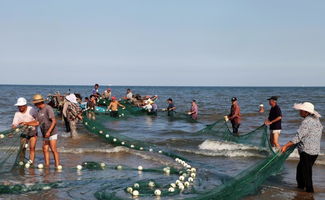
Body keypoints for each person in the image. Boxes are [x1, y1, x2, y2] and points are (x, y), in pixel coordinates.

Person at [281, 102, 323, 193]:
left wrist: (285, 146)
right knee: (300, 172)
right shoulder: (316, 119)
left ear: (306, 112)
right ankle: (301, 192)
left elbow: (298, 137)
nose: (299, 112)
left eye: (301, 110)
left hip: (307, 152)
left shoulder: (307, 121)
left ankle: (309, 193)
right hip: (315, 152)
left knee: (306, 175)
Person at [25, 94, 60, 168]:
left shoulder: (48, 108)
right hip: (45, 133)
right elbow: (37, 122)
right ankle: (47, 165)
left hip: (52, 132)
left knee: (53, 149)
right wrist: (26, 123)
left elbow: (54, 121)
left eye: (35, 103)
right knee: (44, 149)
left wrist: (49, 132)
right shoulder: (39, 111)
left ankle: (57, 165)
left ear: (38, 103)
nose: (34, 105)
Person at [12, 97, 38, 165]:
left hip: (33, 133)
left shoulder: (31, 110)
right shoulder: (17, 113)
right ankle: (21, 161)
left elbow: (38, 120)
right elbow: (14, 124)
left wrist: (27, 123)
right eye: (18, 106)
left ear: (25, 105)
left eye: (21, 106)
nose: (19, 108)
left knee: (32, 148)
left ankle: (31, 162)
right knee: (22, 148)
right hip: (23, 134)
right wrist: (13, 130)